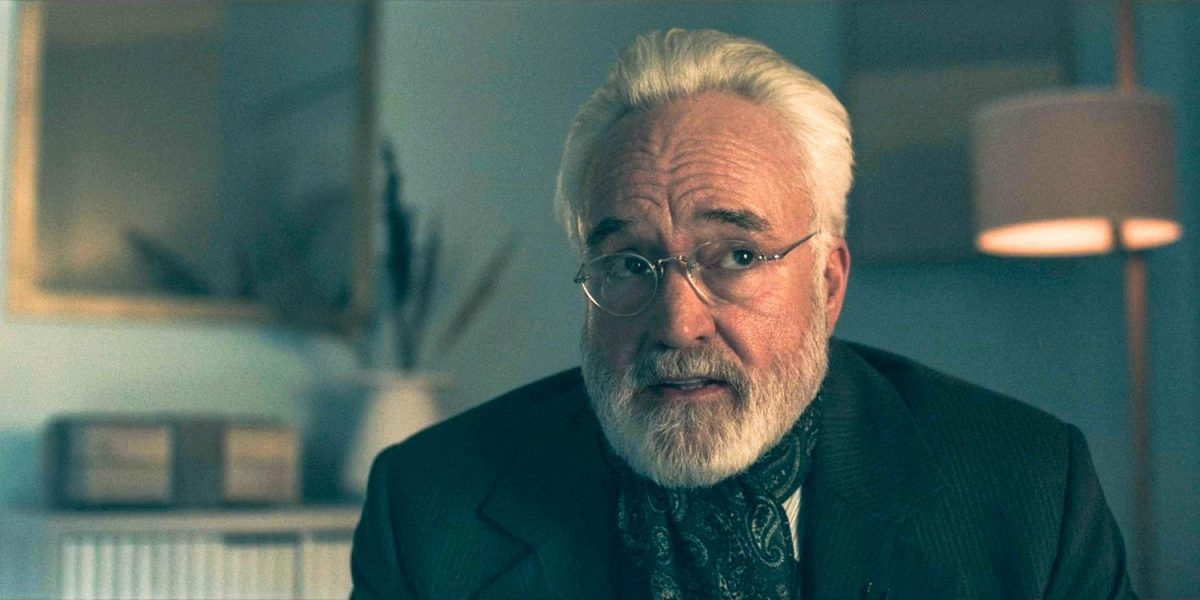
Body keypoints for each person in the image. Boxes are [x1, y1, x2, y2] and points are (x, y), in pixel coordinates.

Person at [350, 29, 1136, 600]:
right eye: (628, 264)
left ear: (827, 284)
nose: (677, 324)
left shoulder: (1027, 491)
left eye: (736, 255)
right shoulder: (430, 508)